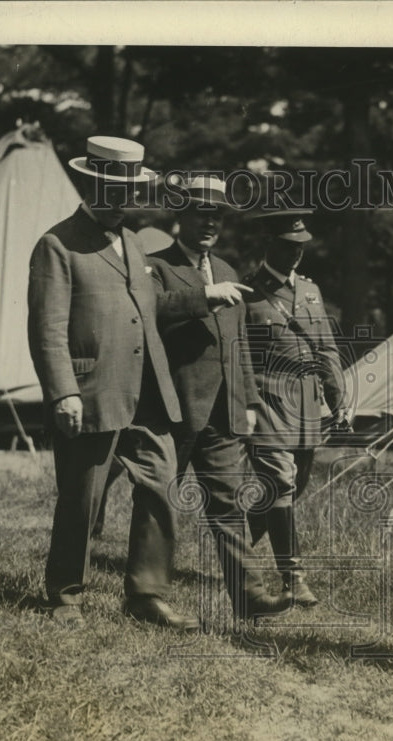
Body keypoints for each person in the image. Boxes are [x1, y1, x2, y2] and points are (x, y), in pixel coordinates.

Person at [27, 136, 200, 630]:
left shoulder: (136, 243)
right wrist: (63, 391)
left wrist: (204, 297)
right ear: (90, 184)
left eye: (132, 189)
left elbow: (149, 308)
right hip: (90, 393)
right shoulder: (57, 245)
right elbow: (47, 327)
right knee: (83, 498)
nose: (125, 199)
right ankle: (65, 597)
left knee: (162, 485)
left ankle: (147, 595)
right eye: (115, 188)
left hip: (147, 392)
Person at [148, 175, 292, 620]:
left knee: (229, 501)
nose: (211, 223)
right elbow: (151, 311)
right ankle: (146, 595)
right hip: (172, 407)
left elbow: (239, 344)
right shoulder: (153, 266)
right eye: (201, 214)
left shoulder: (229, 270)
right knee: (158, 499)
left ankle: (248, 595)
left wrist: (248, 401)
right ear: (180, 217)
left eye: (218, 216)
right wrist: (204, 296)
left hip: (223, 412)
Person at [241, 209, 349, 607]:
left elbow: (326, 349)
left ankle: (232, 545)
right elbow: (239, 359)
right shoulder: (248, 293)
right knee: (281, 484)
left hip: (306, 407)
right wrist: (245, 405)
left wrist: (338, 398)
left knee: (292, 487)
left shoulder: (310, 292)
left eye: (301, 246)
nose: (296, 254)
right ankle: (293, 578)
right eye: (288, 246)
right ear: (269, 244)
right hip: (267, 403)